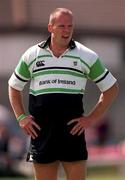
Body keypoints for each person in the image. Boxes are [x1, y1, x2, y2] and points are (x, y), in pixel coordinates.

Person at [8, 7, 119, 180]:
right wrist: (21, 117)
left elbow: (111, 88)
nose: (67, 30)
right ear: (50, 27)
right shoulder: (32, 55)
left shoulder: (86, 56)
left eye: (70, 26)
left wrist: (91, 118)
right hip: (41, 133)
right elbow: (13, 86)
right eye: (61, 26)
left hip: (72, 133)